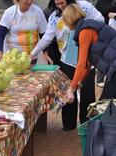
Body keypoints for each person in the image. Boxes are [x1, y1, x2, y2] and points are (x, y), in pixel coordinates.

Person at [29, 0, 104, 131]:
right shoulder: (54, 17)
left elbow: (100, 19)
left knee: (87, 94)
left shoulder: (85, 7)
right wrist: (32, 54)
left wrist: (92, 33)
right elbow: (47, 38)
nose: (60, 6)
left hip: (87, 59)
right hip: (67, 59)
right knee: (68, 93)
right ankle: (69, 124)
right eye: (57, 4)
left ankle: (87, 125)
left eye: (62, 2)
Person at [62, 3, 116, 103]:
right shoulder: (87, 26)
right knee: (107, 106)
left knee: (106, 106)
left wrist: (72, 88)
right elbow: (87, 64)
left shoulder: (85, 31)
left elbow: (81, 63)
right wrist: (79, 82)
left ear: (69, 19)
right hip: (113, 70)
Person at [94, 0, 116, 87]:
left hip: (112, 31)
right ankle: (100, 79)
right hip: (103, 33)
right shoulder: (100, 3)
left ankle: (109, 78)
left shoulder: (113, 2)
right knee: (104, 55)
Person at [43, 0, 61, 65]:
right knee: (54, 67)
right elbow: (44, 34)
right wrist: (45, 51)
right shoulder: (47, 12)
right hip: (53, 44)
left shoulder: (69, 9)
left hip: (65, 43)